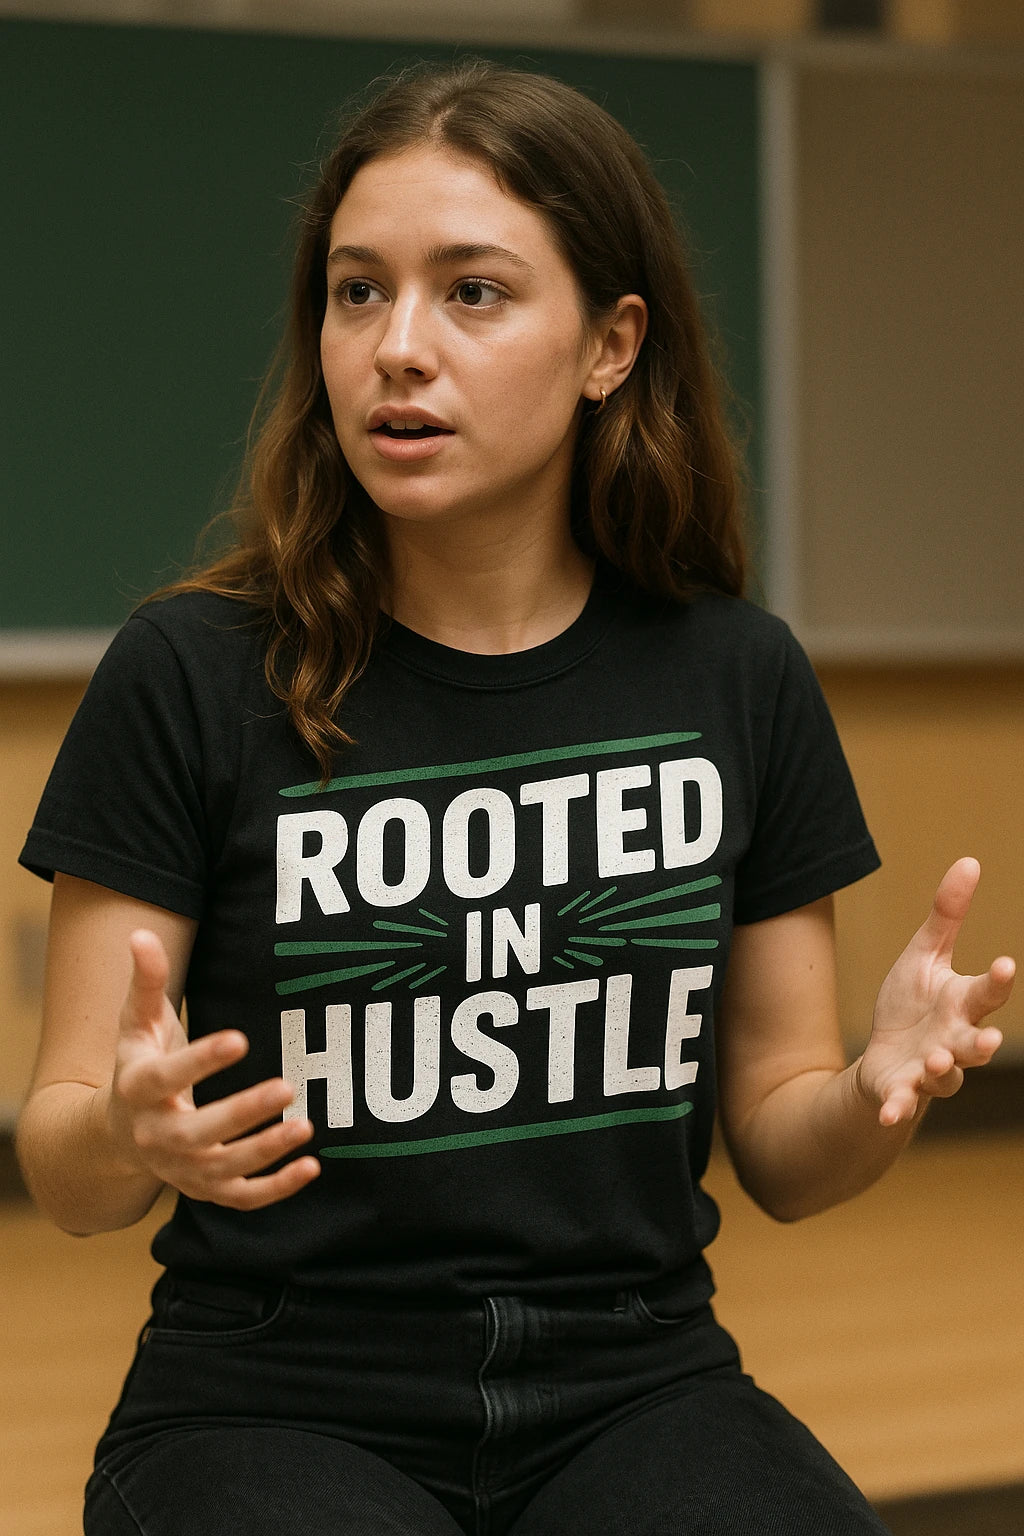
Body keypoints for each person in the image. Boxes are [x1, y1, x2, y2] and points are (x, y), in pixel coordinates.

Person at [16, 61, 1014, 1536]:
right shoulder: (190, 674)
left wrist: (876, 1094)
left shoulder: (736, 675)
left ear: (612, 344)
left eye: (471, 293)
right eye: (357, 293)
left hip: (634, 1380)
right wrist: (129, 1132)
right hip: (275, 1390)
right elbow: (64, 1168)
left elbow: (786, 1149)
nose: (397, 349)